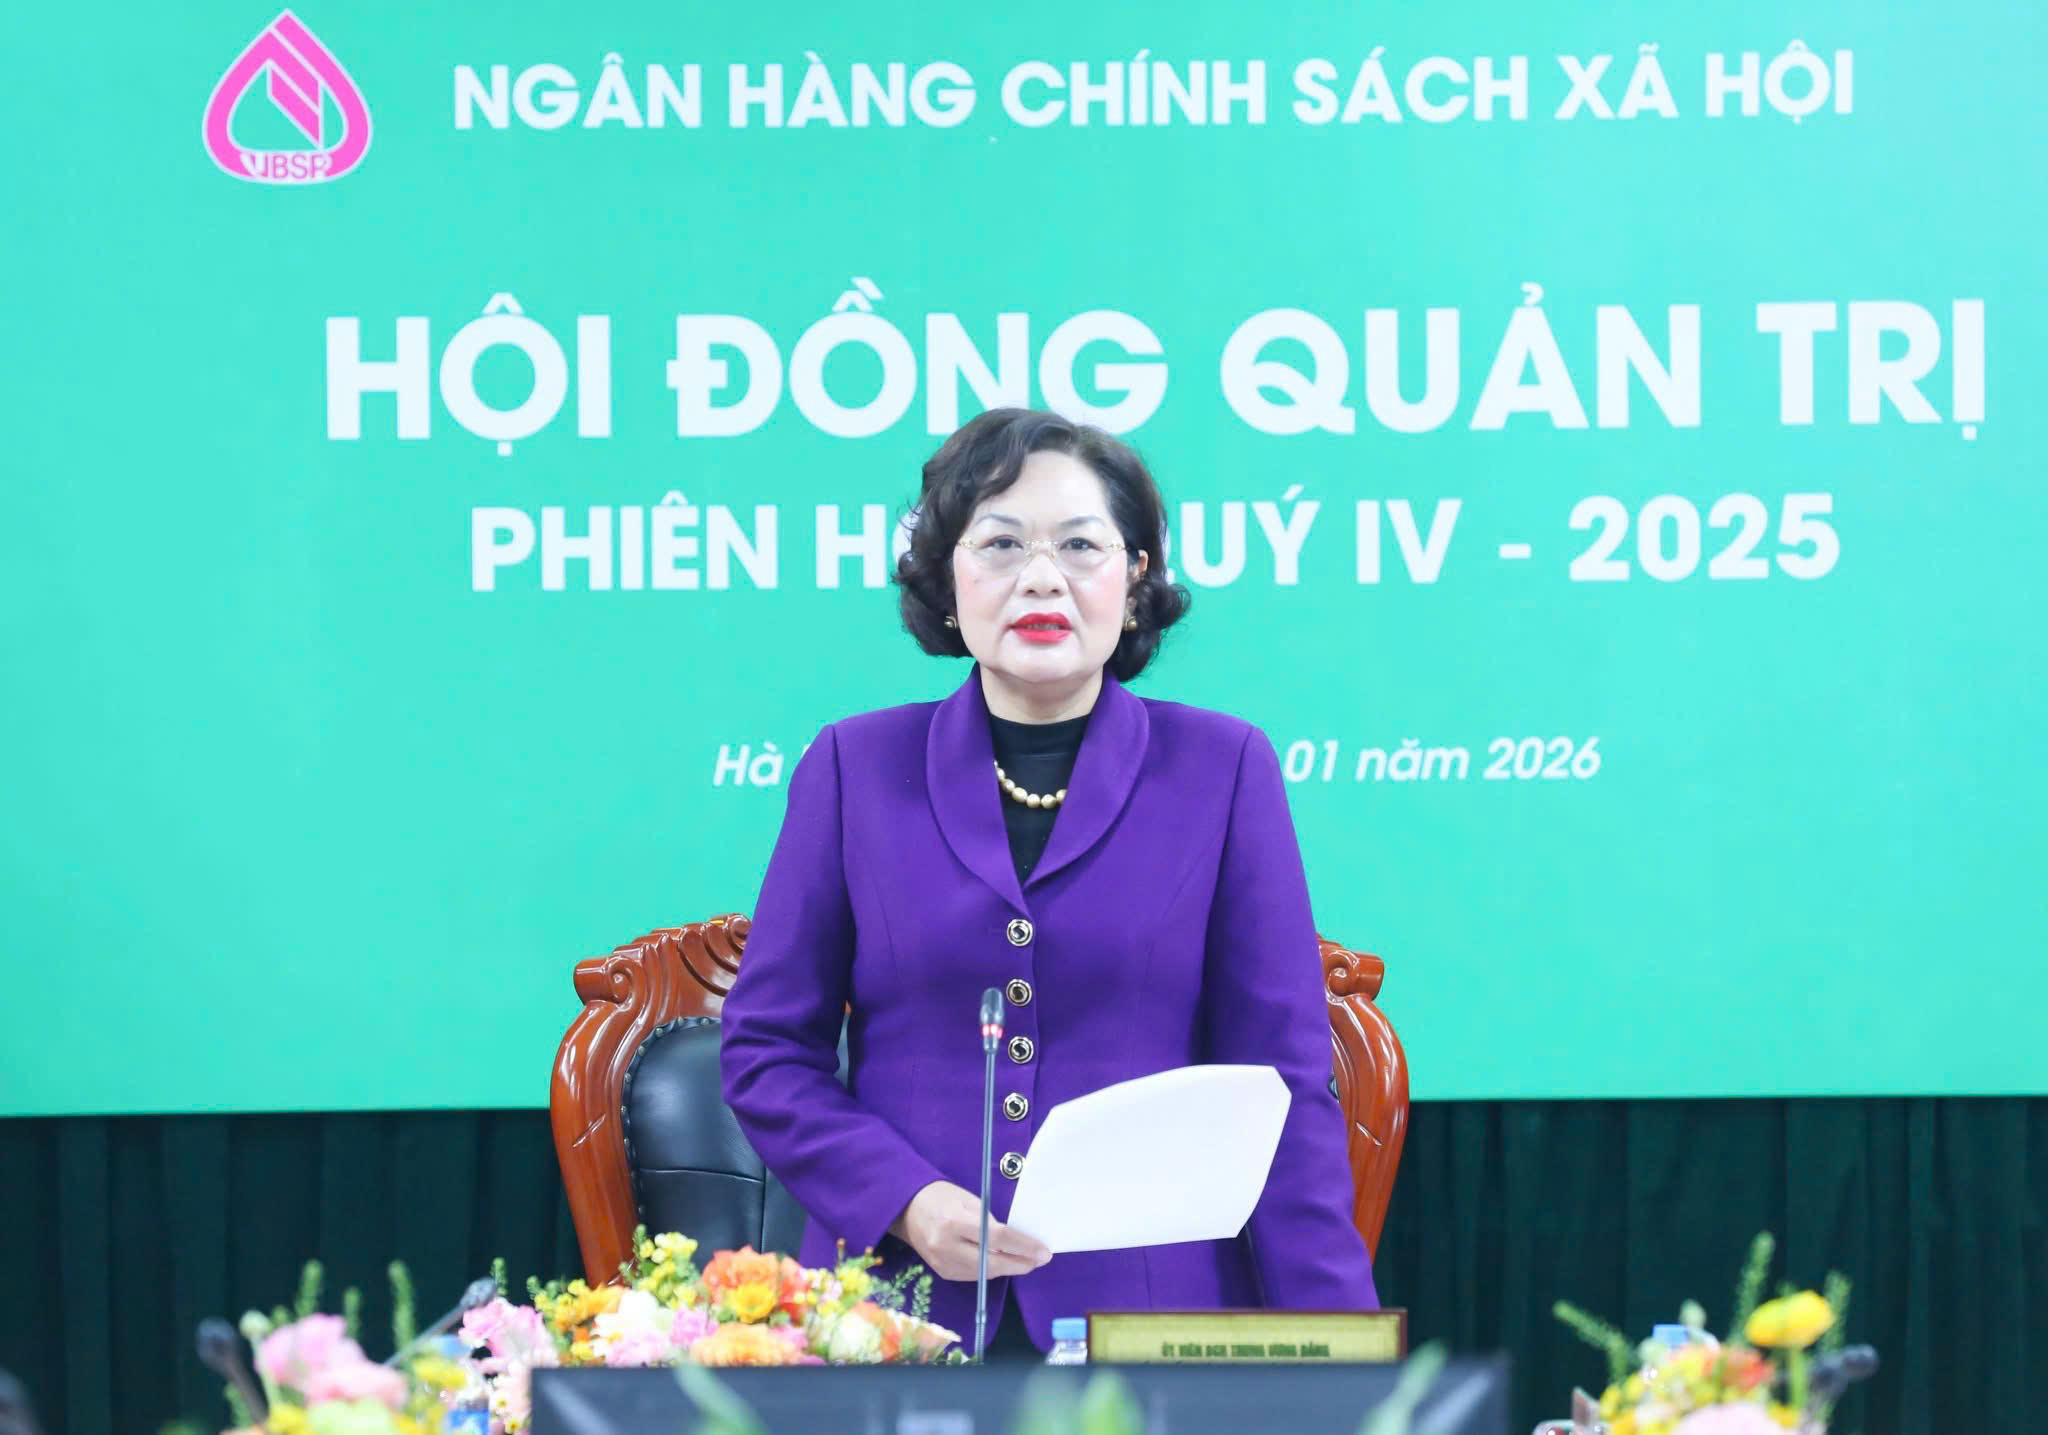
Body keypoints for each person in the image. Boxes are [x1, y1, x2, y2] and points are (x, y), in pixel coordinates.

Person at [718, 407, 1379, 1357]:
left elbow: (1280, 1090)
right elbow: (766, 1052)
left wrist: (1343, 1359)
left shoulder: (1223, 769)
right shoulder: (852, 768)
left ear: (1134, 576)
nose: (1041, 578)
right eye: (1000, 544)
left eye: (1079, 545)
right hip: (899, 1313)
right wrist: (904, 1198)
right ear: (949, 579)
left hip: (1150, 1325)